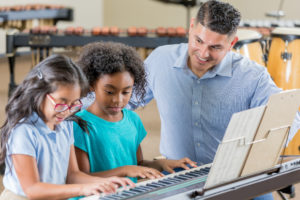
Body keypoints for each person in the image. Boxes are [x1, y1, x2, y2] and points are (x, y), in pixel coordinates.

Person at [127, 1, 299, 199]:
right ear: (191, 27)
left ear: (231, 44)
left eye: (215, 47)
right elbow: (120, 101)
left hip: (237, 176)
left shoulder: (252, 75)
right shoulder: (160, 60)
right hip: (177, 174)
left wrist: (259, 151)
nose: (203, 53)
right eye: (198, 41)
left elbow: (288, 116)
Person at [0, 55, 133, 200]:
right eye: (61, 102)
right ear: (40, 92)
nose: (67, 111)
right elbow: (32, 189)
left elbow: (72, 175)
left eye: (73, 104)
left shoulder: (66, 123)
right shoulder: (23, 131)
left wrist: (105, 182)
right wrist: (84, 188)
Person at [74, 42, 197, 184]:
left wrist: (163, 164)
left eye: (126, 92)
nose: (118, 100)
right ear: (91, 84)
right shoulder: (79, 125)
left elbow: (138, 166)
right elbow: (80, 179)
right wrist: (124, 171)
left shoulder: (132, 120)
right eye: (109, 91)